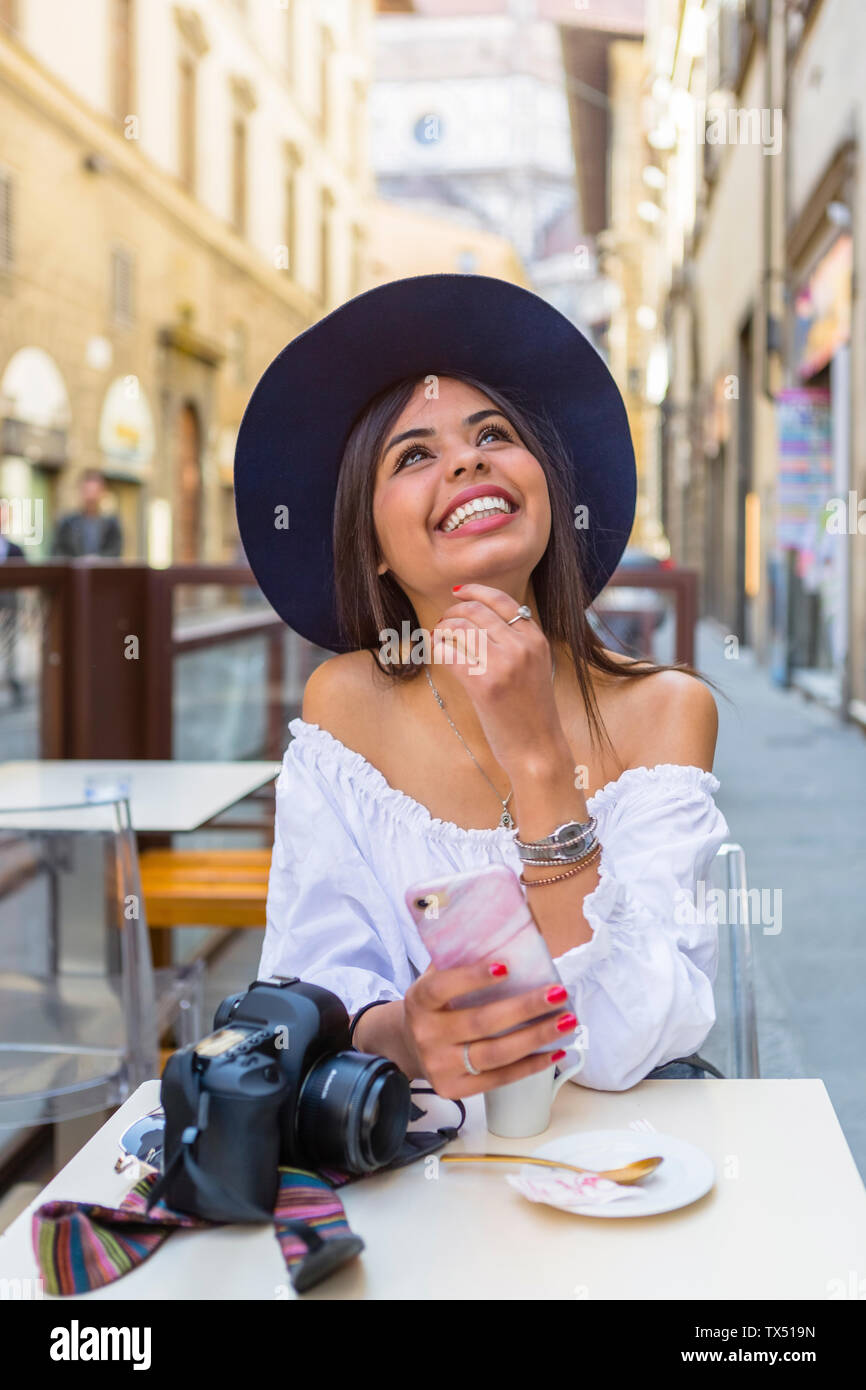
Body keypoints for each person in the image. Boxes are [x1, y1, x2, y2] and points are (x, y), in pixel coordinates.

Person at [234, 273, 730, 1097]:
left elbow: (623, 1048)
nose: (468, 458)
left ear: (544, 487)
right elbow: (314, 982)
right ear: (377, 547)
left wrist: (538, 758)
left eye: (493, 433)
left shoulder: (668, 712)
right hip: (414, 1172)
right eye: (416, 454)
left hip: (627, 1179)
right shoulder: (343, 708)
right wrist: (408, 1034)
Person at [51, 469, 123, 557]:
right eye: (87, 491)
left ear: (102, 492)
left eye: (94, 492)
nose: (91, 497)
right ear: (80, 491)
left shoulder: (111, 525)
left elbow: (114, 553)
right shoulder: (67, 523)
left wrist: (97, 561)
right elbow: (57, 553)